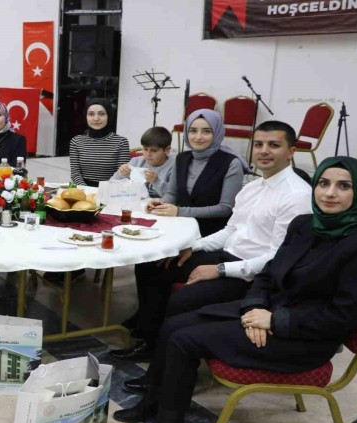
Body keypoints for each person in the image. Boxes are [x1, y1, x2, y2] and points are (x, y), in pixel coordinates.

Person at [113, 156, 357, 423]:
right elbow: (269, 273)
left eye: (344, 186)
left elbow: (341, 317)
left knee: (184, 340)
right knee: (174, 325)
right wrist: (255, 307)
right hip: (268, 312)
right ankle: (154, 402)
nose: (330, 193)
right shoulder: (306, 224)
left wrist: (274, 321)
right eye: (323, 183)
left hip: (305, 337)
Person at [112, 121, 311, 363]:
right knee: (154, 263)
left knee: (182, 300)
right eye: (259, 144)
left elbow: (276, 259)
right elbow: (231, 230)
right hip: (229, 256)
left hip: (254, 277)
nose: (264, 151)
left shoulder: (296, 196)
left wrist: (219, 269)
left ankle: (162, 352)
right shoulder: (253, 187)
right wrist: (191, 247)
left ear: (291, 152)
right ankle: (147, 334)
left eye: (274, 145)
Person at [145, 109, 246, 237]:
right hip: (179, 226)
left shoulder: (231, 163)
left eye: (206, 131)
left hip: (211, 234)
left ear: (217, 133)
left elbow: (225, 208)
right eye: (193, 131)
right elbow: (172, 193)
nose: (198, 137)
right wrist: (161, 205)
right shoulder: (181, 158)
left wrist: (179, 211)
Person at [69, 98, 130, 187]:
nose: (96, 118)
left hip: (111, 189)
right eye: (91, 114)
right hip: (83, 189)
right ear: (86, 116)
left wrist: (104, 190)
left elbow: (122, 174)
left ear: (109, 116)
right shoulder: (76, 141)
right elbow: (75, 174)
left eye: (101, 114)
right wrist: (88, 190)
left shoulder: (121, 142)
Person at [111, 126, 174, 198]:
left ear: (167, 150)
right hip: (135, 203)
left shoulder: (174, 167)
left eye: (154, 150)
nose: (148, 154)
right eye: (145, 149)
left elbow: (175, 197)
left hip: (160, 204)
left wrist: (157, 181)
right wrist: (122, 174)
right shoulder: (136, 162)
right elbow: (111, 185)